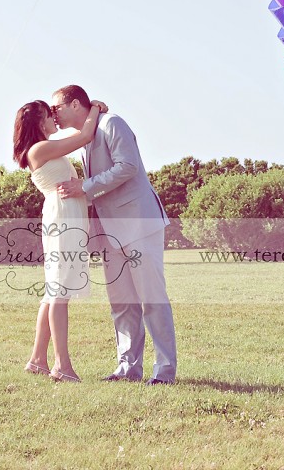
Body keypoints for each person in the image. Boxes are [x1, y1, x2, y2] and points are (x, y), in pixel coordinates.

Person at [53, 85, 177, 385]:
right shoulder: (85, 137)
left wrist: (84, 186)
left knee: (152, 299)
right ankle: (127, 368)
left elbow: (128, 166)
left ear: (74, 104)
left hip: (139, 222)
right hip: (110, 232)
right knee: (121, 303)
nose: (53, 114)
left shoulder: (112, 123)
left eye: (57, 107)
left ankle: (164, 371)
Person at [13, 98, 106, 382]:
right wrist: (95, 108)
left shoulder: (45, 147)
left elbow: (81, 135)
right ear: (37, 122)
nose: (54, 118)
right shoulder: (39, 149)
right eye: (48, 114)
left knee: (54, 290)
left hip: (65, 214)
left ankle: (37, 360)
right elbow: (85, 135)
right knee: (59, 292)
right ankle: (62, 365)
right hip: (62, 216)